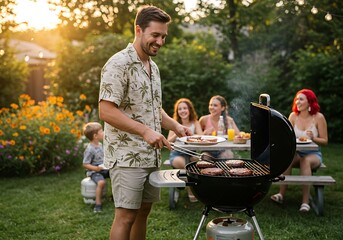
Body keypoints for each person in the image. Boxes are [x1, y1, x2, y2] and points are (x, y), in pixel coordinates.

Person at [98, 6, 191, 240]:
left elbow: (152, 106)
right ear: (139, 30)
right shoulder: (118, 64)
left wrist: (175, 126)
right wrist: (145, 131)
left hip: (150, 154)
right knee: (126, 215)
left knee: (143, 212)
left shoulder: (153, 66)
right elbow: (106, 111)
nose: (160, 41)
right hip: (127, 154)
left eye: (163, 37)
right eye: (155, 35)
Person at [270, 89, 328, 212]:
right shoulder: (293, 116)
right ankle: (281, 194)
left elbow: (325, 141)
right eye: (297, 99)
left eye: (301, 99)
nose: (297, 101)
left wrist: (314, 138)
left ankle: (305, 202)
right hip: (296, 152)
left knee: (305, 161)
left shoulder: (318, 117)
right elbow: (287, 137)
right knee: (287, 157)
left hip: (313, 154)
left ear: (310, 102)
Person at [167, 98, 203, 202]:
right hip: (176, 154)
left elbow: (201, 136)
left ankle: (201, 189)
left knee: (200, 164)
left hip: (191, 153)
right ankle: (190, 190)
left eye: (185, 108)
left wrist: (191, 135)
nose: (182, 111)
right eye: (180, 109)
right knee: (188, 167)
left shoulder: (195, 122)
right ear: (177, 112)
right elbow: (169, 141)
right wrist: (176, 131)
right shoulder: (174, 123)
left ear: (189, 110)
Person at [82, 122, 109, 213]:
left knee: (116, 174)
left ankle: (115, 197)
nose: (104, 132)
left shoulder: (100, 145)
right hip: (94, 171)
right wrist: (96, 168)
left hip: (103, 168)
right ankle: (98, 204)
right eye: (102, 131)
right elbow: (85, 164)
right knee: (101, 182)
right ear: (95, 136)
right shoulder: (90, 149)